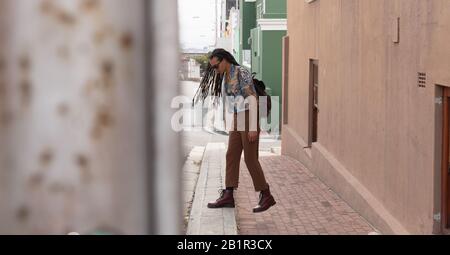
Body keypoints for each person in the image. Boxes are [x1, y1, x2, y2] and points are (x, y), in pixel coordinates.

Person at [193, 48, 276, 213]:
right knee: (231, 155)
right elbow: (230, 101)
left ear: (224, 60)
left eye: (216, 66)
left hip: (248, 116)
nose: (215, 70)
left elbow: (252, 97)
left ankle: (266, 195)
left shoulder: (241, 72)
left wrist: (253, 126)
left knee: (250, 159)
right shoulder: (225, 76)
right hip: (238, 118)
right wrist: (229, 121)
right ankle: (228, 195)